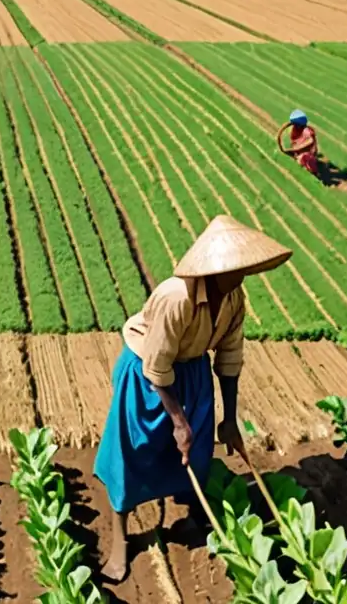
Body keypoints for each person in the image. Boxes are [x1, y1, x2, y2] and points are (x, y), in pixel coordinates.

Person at [93, 215, 293, 582]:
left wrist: (228, 418)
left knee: (197, 450)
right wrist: (178, 421)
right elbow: (156, 366)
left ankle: (193, 513)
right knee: (135, 451)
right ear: (213, 268)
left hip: (193, 372)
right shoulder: (177, 297)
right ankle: (120, 539)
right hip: (148, 374)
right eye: (235, 267)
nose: (242, 274)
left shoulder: (234, 298)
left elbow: (230, 357)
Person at [277, 109, 319, 176]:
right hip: (297, 152)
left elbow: (310, 141)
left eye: (295, 124)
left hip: (307, 153)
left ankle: (313, 172)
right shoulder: (294, 129)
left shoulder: (306, 130)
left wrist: (295, 149)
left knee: (303, 158)